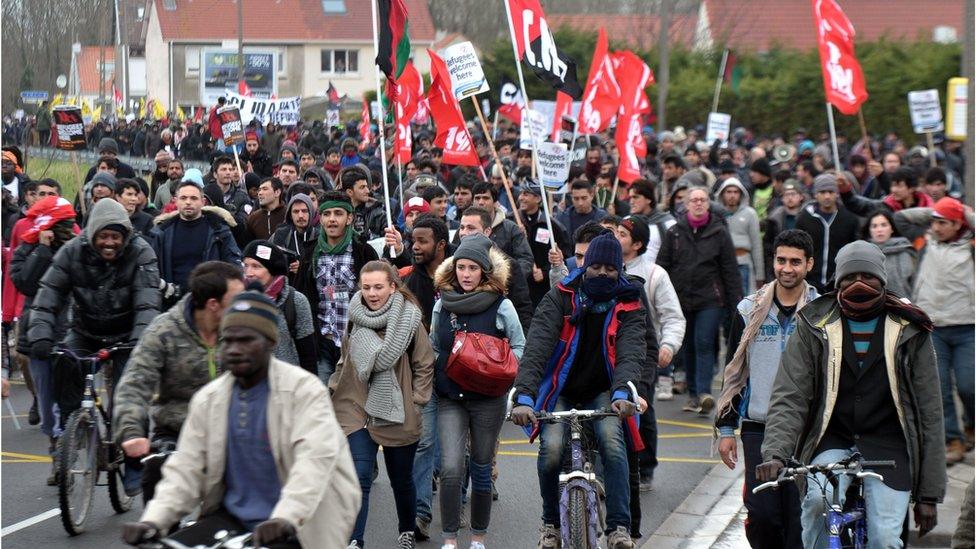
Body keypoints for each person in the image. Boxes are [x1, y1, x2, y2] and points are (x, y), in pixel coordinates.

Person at [120, 289, 362, 548]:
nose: (234, 349)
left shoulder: (304, 391)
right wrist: (154, 521)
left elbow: (313, 462)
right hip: (233, 519)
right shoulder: (209, 400)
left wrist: (284, 517)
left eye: (246, 340)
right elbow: (186, 469)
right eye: (228, 340)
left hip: (303, 520)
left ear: (270, 343)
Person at [757, 240, 945, 548]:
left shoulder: (911, 329)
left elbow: (929, 412)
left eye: (868, 277)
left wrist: (929, 494)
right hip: (830, 440)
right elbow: (790, 396)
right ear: (838, 281)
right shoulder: (813, 324)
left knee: (885, 538)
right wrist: (775, 454)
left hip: (891, 447)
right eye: (850, 277)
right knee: (818, 505)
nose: (859, 284)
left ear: (882, 281)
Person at [511, 233, 645, 549]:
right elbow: (538, 347)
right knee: (552, 451)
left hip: (606, 392)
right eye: (594, 265)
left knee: (613, 446)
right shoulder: (560, 297)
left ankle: (618, 528)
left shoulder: (631, 301)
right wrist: (525, 395)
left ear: (620, 269)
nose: (601, 273)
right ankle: (550, 525)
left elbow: (631, 351)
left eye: (609, 269)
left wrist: (624, 392)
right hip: (561, 391)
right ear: (583, 265)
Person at [28, 198, 161, 491]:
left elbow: (148, 302)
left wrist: (141, 340)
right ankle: (72, 429)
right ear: (92, 234)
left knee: (129, 394)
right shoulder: (73, 251)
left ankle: (134, 461)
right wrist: (40, 334)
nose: (109, 243)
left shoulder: (141, 252)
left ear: (125, 236)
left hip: (128, 335)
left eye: (115, 237)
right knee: (65, 363)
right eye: (103, 236)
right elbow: (48, 294)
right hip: (85, 329)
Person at [714, 229, 818, 548]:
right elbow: (734, 373)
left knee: (799, 518)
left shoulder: (822, 311)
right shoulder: (749, 309)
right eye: (781, 260)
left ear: (809, 265)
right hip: (758, 426)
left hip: (806, 429)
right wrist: (727, 429)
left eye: (795, 262)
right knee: (763, 516)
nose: (787, 268)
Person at [113, 261, 245, 501]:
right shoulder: (164, 331)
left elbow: (266, 379)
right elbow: (135, 382)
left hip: (233, 431)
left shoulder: (241, 331)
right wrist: (131, 431)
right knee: (156, 483)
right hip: (178, 431)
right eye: (235, 300)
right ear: (213, 305)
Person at [330, 261, 434, 549]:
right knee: (360, 476)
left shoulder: (410, 320)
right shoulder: (354, 316)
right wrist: (335, 384)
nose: (372, 293)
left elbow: (425, 364)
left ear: (392, 286)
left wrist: (417, 402)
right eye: (366, 287)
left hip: (398, 409)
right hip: (356, 407)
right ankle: (354, 540)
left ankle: (406, 531)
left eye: (378, 287)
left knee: (401, 480)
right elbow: (346, 356)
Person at [430, 234, 525, 549]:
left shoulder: (502, 305)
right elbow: (431, 346)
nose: (466, 274)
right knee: (451, 468)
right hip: (450, 398)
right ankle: (449, 539)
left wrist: (498, 369)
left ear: (484, 271)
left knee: (482, 467)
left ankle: (479, 538)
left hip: (488, 399)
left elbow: (520, 346)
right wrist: (444, 364)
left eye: (473, 268)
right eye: (461, 267)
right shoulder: (442, 303)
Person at [895, 197, 975, 464]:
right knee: (939, 387)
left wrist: (964, 212)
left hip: (967, 327)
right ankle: (952, 439)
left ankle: (971, 425)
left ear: (957, 224)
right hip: (934, 327)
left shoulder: (970, 246)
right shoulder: (926, 242)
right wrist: (936, 210)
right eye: (935, 222)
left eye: (943, 223)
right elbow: (900, 218)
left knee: (968, 386)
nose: (937, 227)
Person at [9, 196, 79, 484]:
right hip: (37, 334)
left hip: (73, 332)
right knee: (47, 400)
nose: (69, 229)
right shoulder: (29, 248)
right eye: (63, 225)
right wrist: (42, 249)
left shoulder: (79, 248)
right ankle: (55, 447)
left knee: (70, 400)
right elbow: (24, 282)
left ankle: (70, 450)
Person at [657, 186, 742, 414]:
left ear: (708, 204)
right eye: (693, 200)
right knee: (688, 347)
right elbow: (662, 267)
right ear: (686, 204)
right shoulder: (674, 232)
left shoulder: (719, 232)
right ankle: (693, 395)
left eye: (702, 200)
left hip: (710, 299)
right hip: (681, 299)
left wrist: (737, 302)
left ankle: (704, 393)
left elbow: (730, 269)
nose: (698, 203)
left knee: (704, 342)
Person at [294, 191, 378, 379]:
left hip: (356, 342)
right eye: (326, 214)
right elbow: (301, 296)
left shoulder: (363, 251)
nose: (332, 219)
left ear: (349, 218)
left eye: (338, 214)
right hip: (322, 342)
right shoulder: (310, 254)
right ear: (321, 218)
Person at [614, 217, 685, 402]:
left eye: (622, 235)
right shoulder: (602, 270)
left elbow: (673, 316)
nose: (616, 238)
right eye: (615, 232)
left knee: (642, 412)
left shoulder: (656, 274)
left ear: (637, 244)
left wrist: (668, 345)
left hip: (642, 356)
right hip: (609, 353)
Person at [151, 181, 241, 303]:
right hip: (171, 303)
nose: (188, 202)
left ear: (202, 202)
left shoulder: (219, 231)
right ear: (176, 201)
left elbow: (233, 266)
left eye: (193, 198)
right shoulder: (162, 233)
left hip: (209, 303)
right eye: (183, 198)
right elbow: (152, 270)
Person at [242, 240, 317, 373]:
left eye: (256, 266)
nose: (249, 273)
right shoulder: (239, 302)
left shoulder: (295, 301)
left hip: (288, 386)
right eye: (246, 265)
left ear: (273, 270)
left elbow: (308, 357)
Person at [457, 207, 534, 332]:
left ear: (487, 231)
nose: (464, 233)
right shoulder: (452, 262)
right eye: (462, 227)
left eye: (471, 228)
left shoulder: (509, 266)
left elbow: (522, 309)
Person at [795, 174, 860, 294]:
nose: (827, 196)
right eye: (822, 192)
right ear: (815, 194)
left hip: (839, 283)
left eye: (831, 192)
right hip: (809, 283)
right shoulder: (804, 218)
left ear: (837, 193)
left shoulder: (849, 219)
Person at [518, 182, 572, 307]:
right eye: (521, 193)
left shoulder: (553, 226)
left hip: (544, 291)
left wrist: (545, 272)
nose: (521, 197)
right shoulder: (513, 222)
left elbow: (566, 257)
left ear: (537, 198)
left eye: (526, 194)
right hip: (521, 288)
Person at [470, 181, 535, 279]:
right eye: (477, 198)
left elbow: (525, 260)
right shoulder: (464, 229)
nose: (481, 202)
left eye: (486, 198)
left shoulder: (511, 229)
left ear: (495, 202)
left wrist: (507, 279)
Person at [716, 178, 764, 294]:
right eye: (728, 192)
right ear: (722, 194)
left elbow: (756, 245)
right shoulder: (716, 215)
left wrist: (760, 276)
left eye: (735, 192)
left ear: (741, 194)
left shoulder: (750, 214)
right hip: (722, 264)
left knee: (744, 302)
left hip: (743, 263)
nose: (732, 195)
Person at [862, 209, 916, 299]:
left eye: (884, 225)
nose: (879, 230)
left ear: (892, 229)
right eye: (874, 226)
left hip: (905, 305)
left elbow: (916, 283)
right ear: (869, 230)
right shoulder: (862, 254)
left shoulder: (905, 252)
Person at [762, 180, 805, 281]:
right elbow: (767, 245)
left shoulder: (808, 217)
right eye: (786, 195)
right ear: (782, 198)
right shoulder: (774, 219)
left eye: (793, 194)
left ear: (801, 197)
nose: (790, 198)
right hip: (780, 267)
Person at [271, 193, 319, 283]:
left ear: (311, 212)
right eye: (296, 211)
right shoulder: (282, 234)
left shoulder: (319, 236)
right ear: (290, 215)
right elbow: (274, 263)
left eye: (304, 211)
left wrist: (303, 268)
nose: (300, 215)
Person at [627, 179, 676, 263]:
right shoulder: (626, 221)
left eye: (635, 197)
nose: (631, 202)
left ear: (648, 199)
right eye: (630, 197)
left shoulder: (668, 223)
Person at [245, 177, 287, 241]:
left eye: (265, 189)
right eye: (259, 190)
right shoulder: (253, 218)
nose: (260, 193)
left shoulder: (288, 215)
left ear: (277, 192)